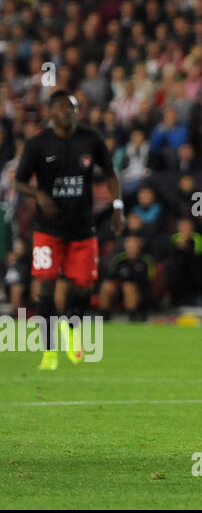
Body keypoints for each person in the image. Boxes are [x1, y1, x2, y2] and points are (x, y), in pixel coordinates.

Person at [15, 90, 125, 369]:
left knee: (84, 289)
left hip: (82, 228)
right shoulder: (38, 144)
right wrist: (39, 195)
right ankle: (49, 351)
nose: (69, 112)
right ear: (51, 112)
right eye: (63, 107)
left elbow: (111, 174)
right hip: (48, 229)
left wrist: (118, 206)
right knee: (46, 287)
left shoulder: (91, 140)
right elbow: (19, 181)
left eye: (73, 107)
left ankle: (71, 331)